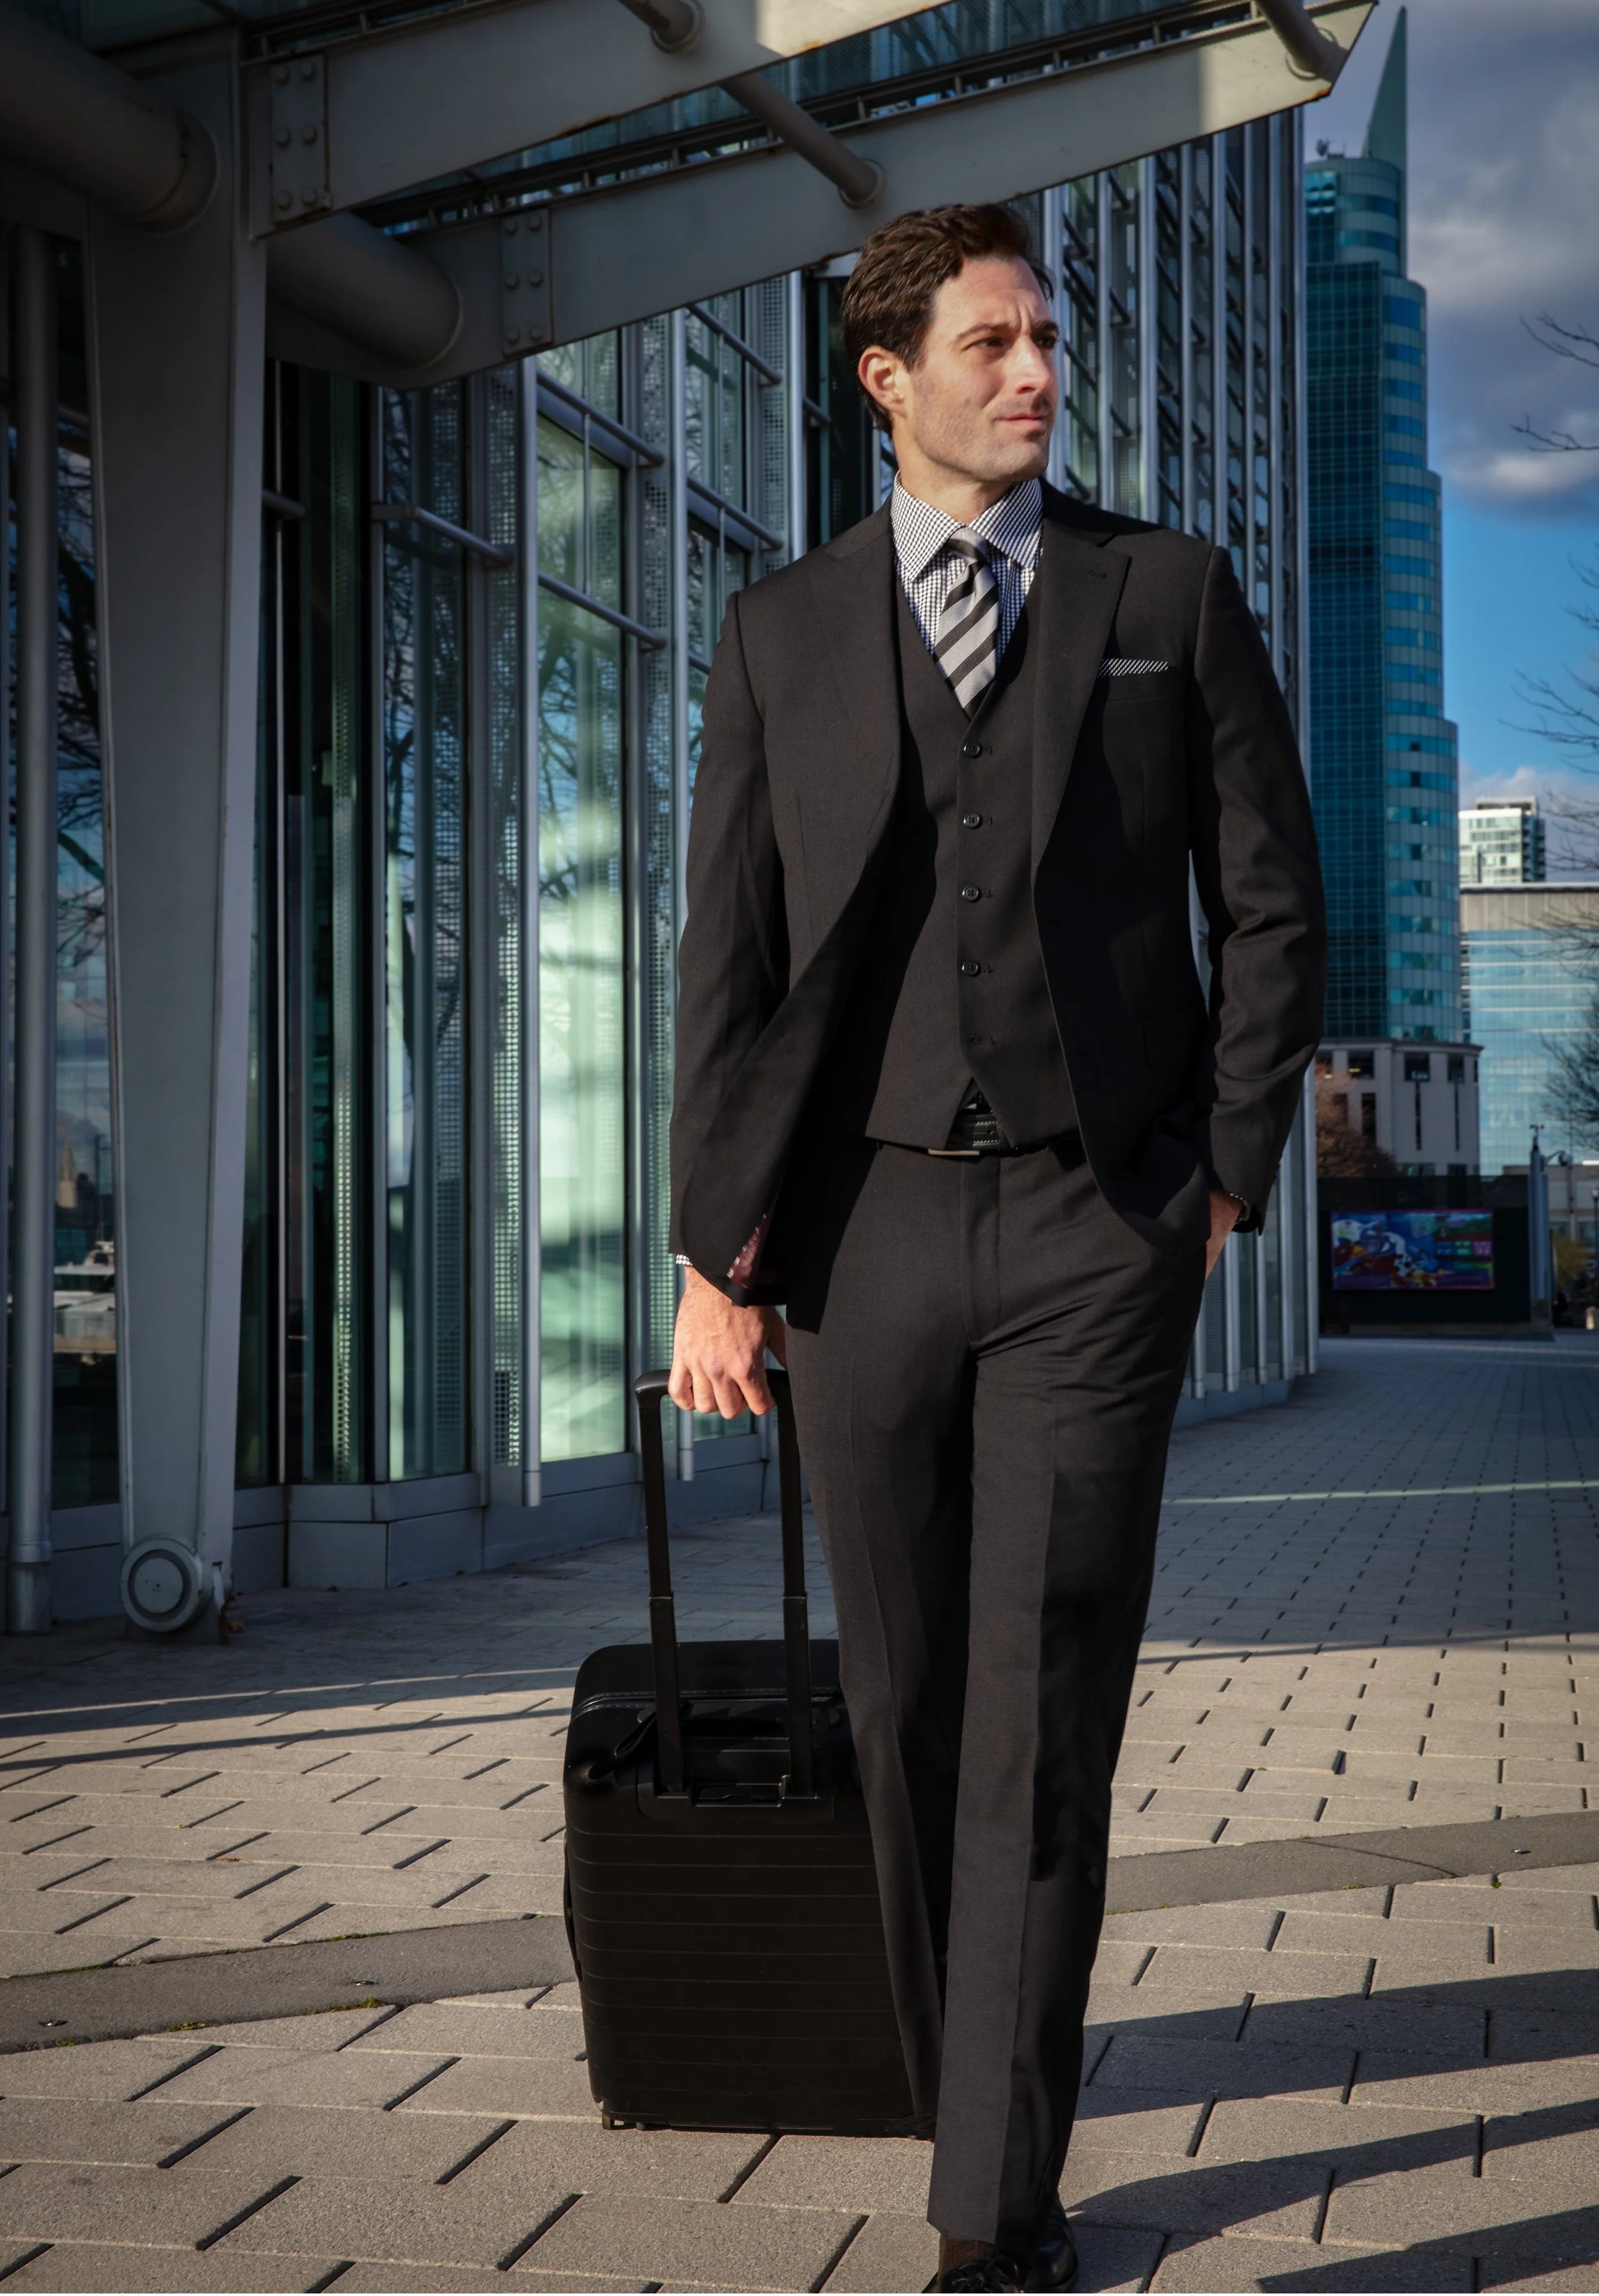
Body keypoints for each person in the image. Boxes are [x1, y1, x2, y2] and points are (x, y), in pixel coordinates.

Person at [666, 203, 1325, 2293]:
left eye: (1046, 338)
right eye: (991, 343)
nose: (1036, 374)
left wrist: (1215, 1181)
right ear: (888, 378)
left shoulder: (1167, 591)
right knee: (905, 1702)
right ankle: (976, 2091)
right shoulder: (781, 629)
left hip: (1085, 1225)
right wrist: (715, 1258)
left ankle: (991, 2208)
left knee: (1041, 1710)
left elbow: (1272, 904)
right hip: (856, 1236)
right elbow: (732, 960)